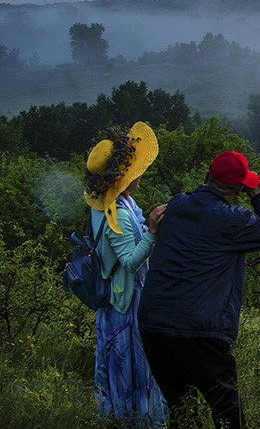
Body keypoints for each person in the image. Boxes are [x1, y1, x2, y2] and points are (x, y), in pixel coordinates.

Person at [138, 150, 260, 429]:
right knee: (226, 410)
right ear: (241, 187)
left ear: (207, 174)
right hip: (199, 329)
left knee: (180, 408)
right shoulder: (234, 219)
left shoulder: (177, 205)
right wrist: (258, 196)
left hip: (153, 323)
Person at [82, 121, 168, 428]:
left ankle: (131, 418)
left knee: (129, 365)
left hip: (126, 298)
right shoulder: (116, 210)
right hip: (124, 304)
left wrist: (149, 229)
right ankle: (133, 421)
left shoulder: (121, 203)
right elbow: (130, 261)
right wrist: (154, 230)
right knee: (127, 366)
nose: (140, 172)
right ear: (123, 177)